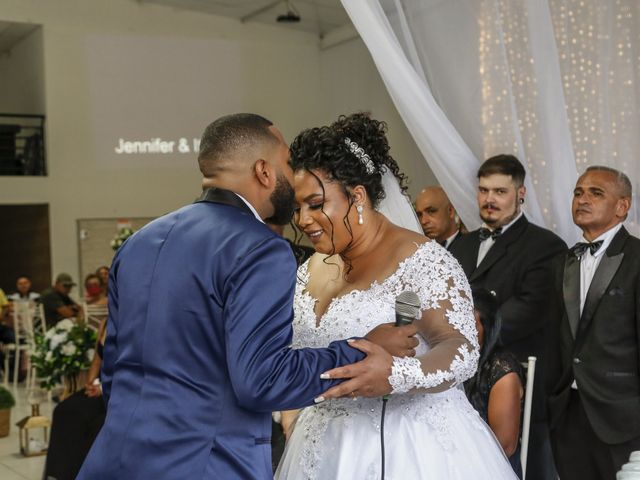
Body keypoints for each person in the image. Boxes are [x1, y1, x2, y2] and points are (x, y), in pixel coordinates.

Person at [77, 113, 417, 480]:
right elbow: (262, 380)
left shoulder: (139, 242)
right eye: (287, 162)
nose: (294, 176)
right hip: (207, 463)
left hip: (114, 457)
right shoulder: (259, 249)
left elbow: (112, 367)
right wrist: (361, 348)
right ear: (264, 171)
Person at [276, 113, 516, 479]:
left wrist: (398, 374)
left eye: (315, 204)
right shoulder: (310, 269)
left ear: (357, 197)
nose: (304, 219)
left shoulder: (422, 260)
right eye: (298, 208)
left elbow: (460, 348)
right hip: (320, 447)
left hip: (410, 447)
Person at [449, 154, 566, 480]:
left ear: (521, 194)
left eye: (500, 191)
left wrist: (459, 335)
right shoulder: (461, 245)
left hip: (517, 381)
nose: (489, 199)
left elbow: (527, 311)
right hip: (458, 384)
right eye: (484, 190)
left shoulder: (547, 247)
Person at [547, 166, 640, 480]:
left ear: (622, 206)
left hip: (624, 417)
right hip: (568, 412)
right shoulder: (565, 261)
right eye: (578, 192)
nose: (582, 199)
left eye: (595, 193)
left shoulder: (638, 258)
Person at [465, 288, 525, 477]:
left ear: (487, 326)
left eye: (468, 324)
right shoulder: (451, 362)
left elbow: (505, 446)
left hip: (488, 466)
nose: (459, 329)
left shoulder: (501, 370)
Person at [44, 318, 107, 480]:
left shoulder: (131, 326)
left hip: (116, 388)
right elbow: (96, 362)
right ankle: (58, 474)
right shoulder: (104, 324)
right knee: (63, 410)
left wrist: (102, 387)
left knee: (92, 420)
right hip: (98, 385)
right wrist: (91, 383)